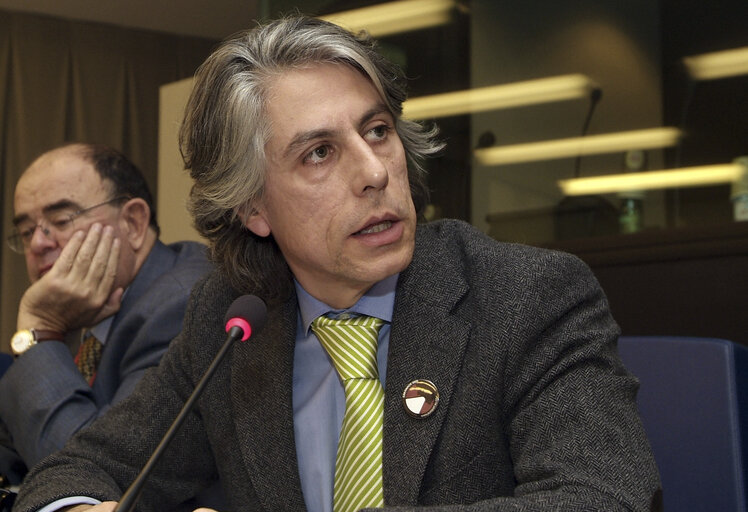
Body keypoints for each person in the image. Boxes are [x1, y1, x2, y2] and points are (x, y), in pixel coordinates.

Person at [13, 16, 661, 512]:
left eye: (377, 130)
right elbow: (76, 469)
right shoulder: (233, 321)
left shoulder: (527, 297)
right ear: (252, 208)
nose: (375, 172)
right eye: (319, 153)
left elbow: (601, 497)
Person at [0, 143, 212, 485]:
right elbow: (14, 448)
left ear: (132, 223)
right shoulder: (87, 309)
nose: (38, 243)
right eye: (26, 231)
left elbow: (96, 473)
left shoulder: (184, 305)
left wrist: (41, 330)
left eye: (60, 220)